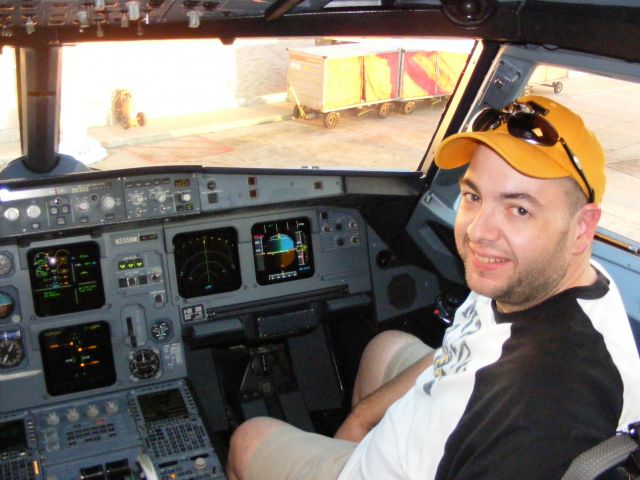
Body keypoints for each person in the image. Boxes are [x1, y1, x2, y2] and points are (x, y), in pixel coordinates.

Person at [226, 95, 640, 479]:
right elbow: (456, 352)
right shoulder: (532, 276)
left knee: (249, 439)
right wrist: (360, 422)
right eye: (474, 197)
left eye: (519, 209)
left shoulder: (536, 413)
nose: (479, 232)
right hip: (423, 437)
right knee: (384, 346)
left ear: (583, 226)